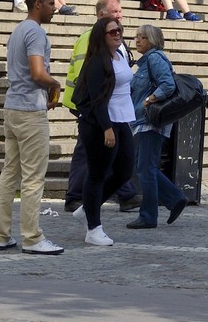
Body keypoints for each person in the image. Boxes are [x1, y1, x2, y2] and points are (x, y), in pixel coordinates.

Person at [0, 0, 64, 254]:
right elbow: (37, 72)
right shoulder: (35, 32)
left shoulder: (18, 30)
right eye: (49, 3)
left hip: (12, 107)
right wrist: (55, 84)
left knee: (10, 173)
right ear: (36, 4)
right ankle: (32, 238)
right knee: (33, 177)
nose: (55, 7)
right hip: (30, 111)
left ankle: (2, 235)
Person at [62, 0, 140, 214]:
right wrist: (98, 116)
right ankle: (77, 198)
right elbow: (87, 78)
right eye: (115, 12)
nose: (120, 16)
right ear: (101, 15)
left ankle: (122, 194)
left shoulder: (118, 42)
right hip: (91, 108)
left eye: (120, 12)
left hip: (117, 111)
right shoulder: (89, 39)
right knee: (90, 156)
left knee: (113, 162)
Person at [72, 15, 137, 245]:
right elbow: (98, 100)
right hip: (99, 123)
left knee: (125, 170)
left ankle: (89, 206)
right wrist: (106, 128)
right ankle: (93, 229)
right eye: (112, 32)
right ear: (102, 35)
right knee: (97, 173)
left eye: (119, 30)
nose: (118, 34)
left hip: (122, 119)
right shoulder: (96, 61)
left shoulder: (120, 54)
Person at [125, 25, 188, 229]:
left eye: (143, 37)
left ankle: (149, 215)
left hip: (151, 122)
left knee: (145, 168)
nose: (138, 40)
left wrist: (149, 100)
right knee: (144, 167)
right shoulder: (146, 62)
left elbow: (168, 85)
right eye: (136, 36)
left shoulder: (155, 59)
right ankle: (175, 197)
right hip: (144, 122)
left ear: (153, 40)